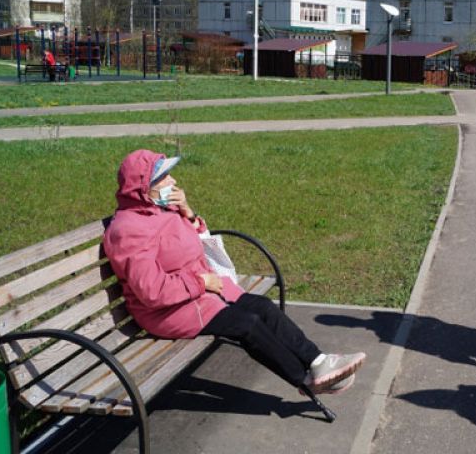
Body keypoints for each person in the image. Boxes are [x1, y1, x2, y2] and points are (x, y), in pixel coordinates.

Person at [103, 149, 365, 397]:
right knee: (246, 324)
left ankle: (319, 361)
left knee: (261, 306)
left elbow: (195, 244)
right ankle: (306, 381)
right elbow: (151, 291)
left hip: (199, 293)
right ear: (141, 187)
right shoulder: (127, 231)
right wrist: (201, 282)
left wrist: (187, 211)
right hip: (165, 311)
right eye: (162, 177)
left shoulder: (163, 210)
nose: (173, 180)